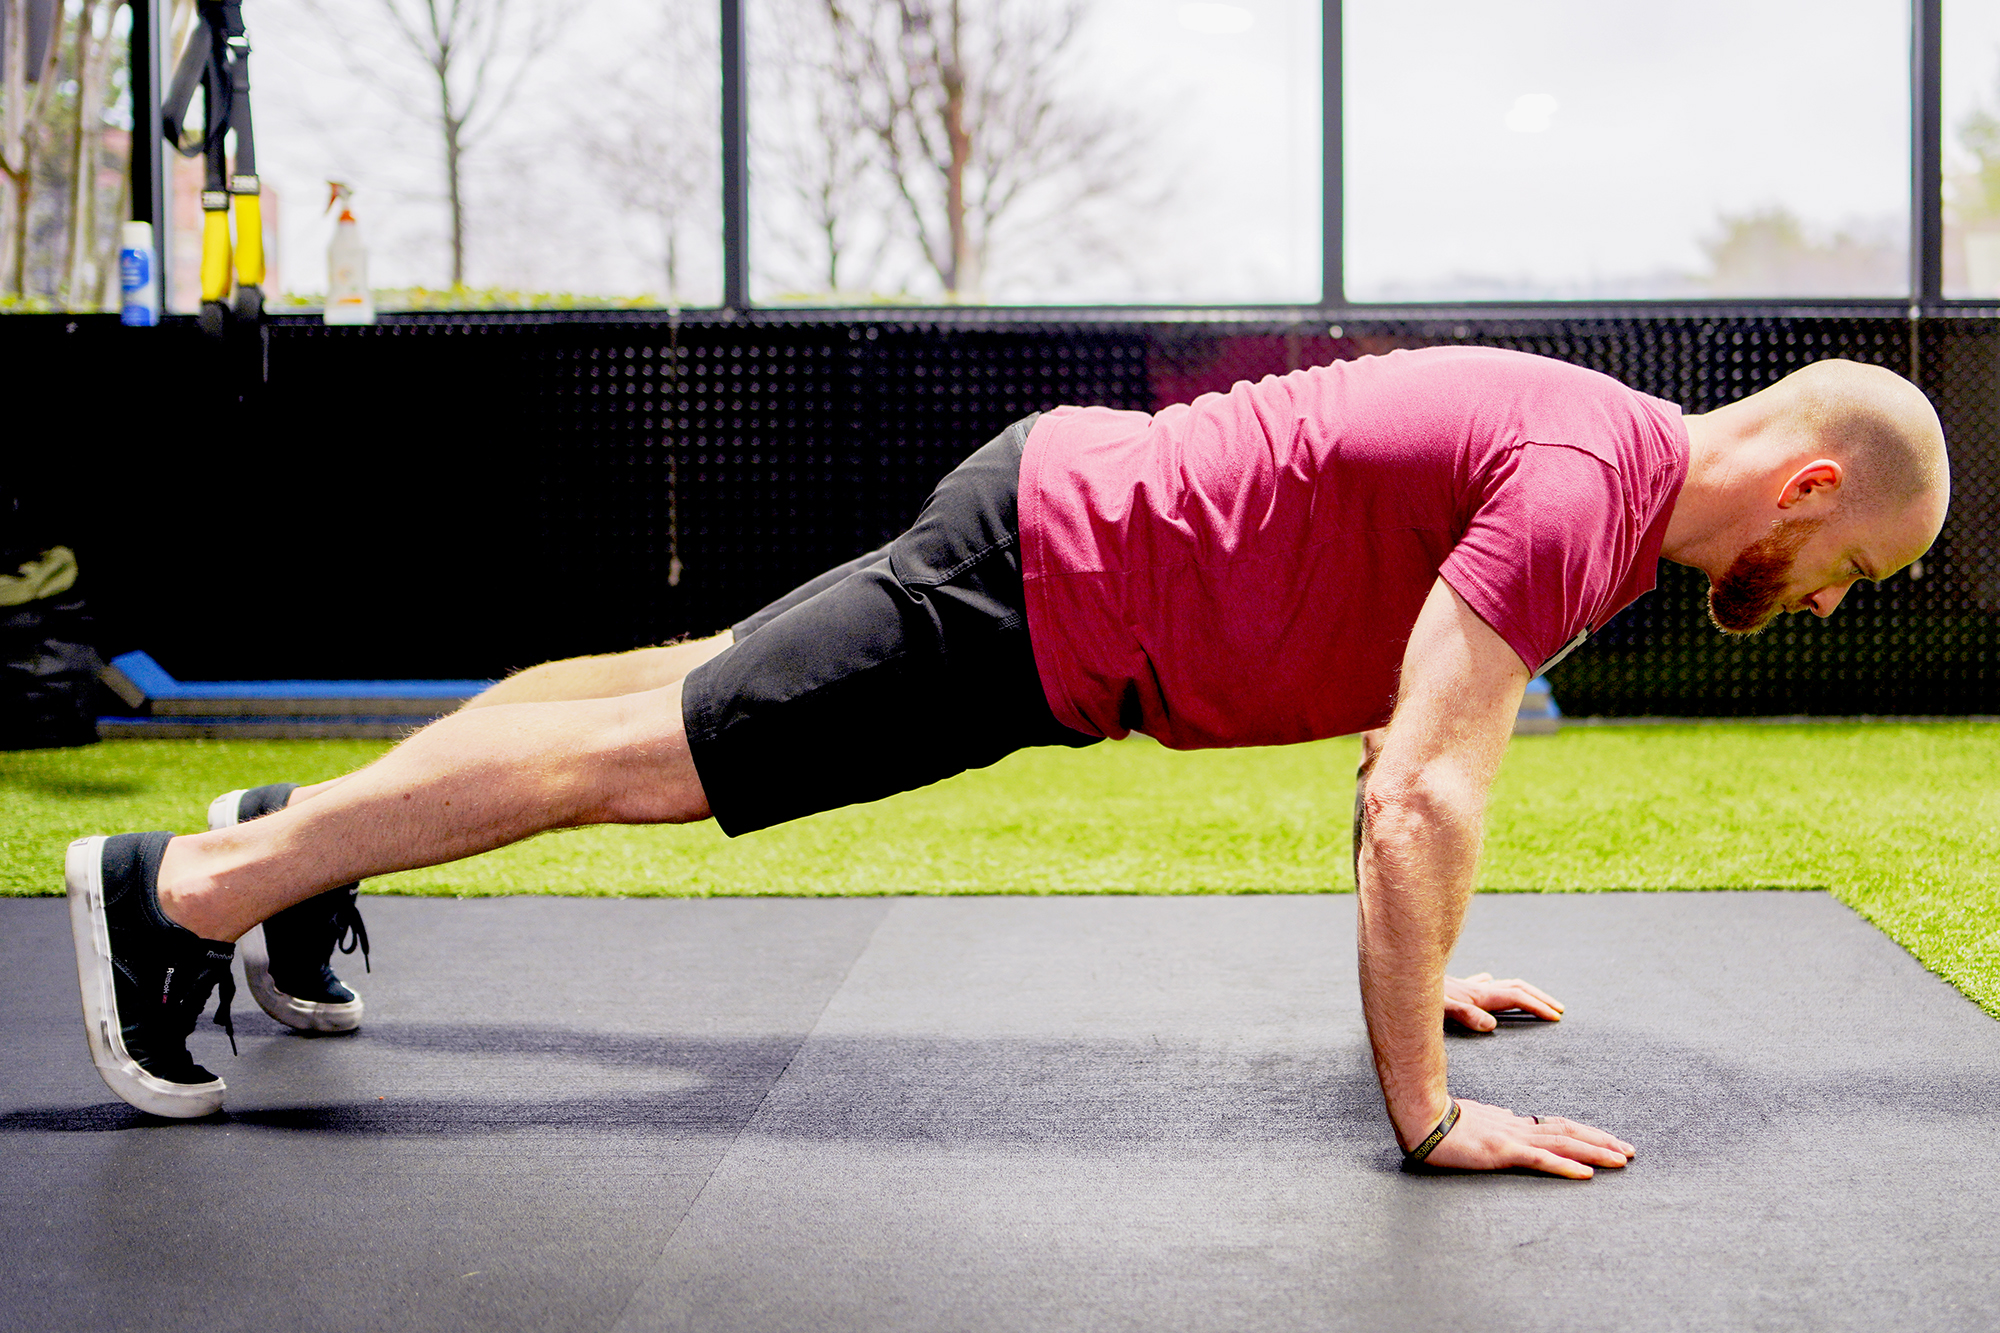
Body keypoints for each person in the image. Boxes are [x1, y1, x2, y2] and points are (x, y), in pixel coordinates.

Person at [65, 347, 1949, 1177]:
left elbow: (1400, 735)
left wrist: (1427, 961)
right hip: (1045, 593)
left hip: (1051, 522)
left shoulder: (1607, 488)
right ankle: (187, 891)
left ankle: (293, 849)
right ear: (1802, 485)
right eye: (1849, 566)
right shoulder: (1584, 494)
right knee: (653, 757)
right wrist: (1428, 1117)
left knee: (681, 678)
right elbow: (1421, 794)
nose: (1830, 598)